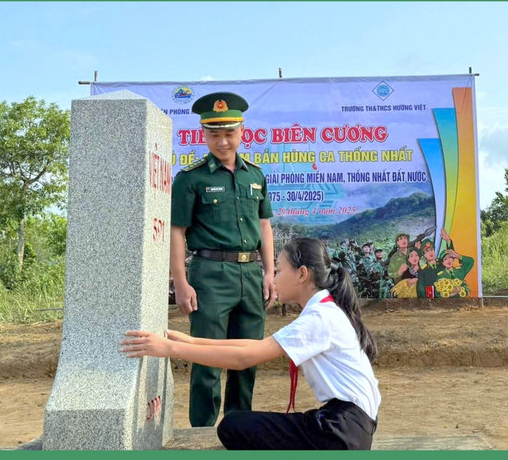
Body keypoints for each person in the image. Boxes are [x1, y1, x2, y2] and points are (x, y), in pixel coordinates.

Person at [122, 236, 380, 450]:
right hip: (349, 427)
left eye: (278, 271)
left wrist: (171, 348)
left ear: (302, 274)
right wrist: (192, 340)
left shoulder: (320, 317)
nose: (274, 279)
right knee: (239, 424)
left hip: (341, 430)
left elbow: (244, 358)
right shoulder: (323, 309)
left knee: (233, 427)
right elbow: (252, 346)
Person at [170, 91, 274, 428]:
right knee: (207, 359)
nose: (223, 141)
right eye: (214, 134)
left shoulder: (254, 176)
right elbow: (177, 233)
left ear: (243, 131)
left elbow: (264, 225)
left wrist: (270, 272)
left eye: (229, 133)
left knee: (247, 357)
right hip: (211, 274)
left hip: (251, 274)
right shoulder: (191, 178)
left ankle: (239, 429)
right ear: (204, 134)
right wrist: (181, 282)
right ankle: (201, 434)